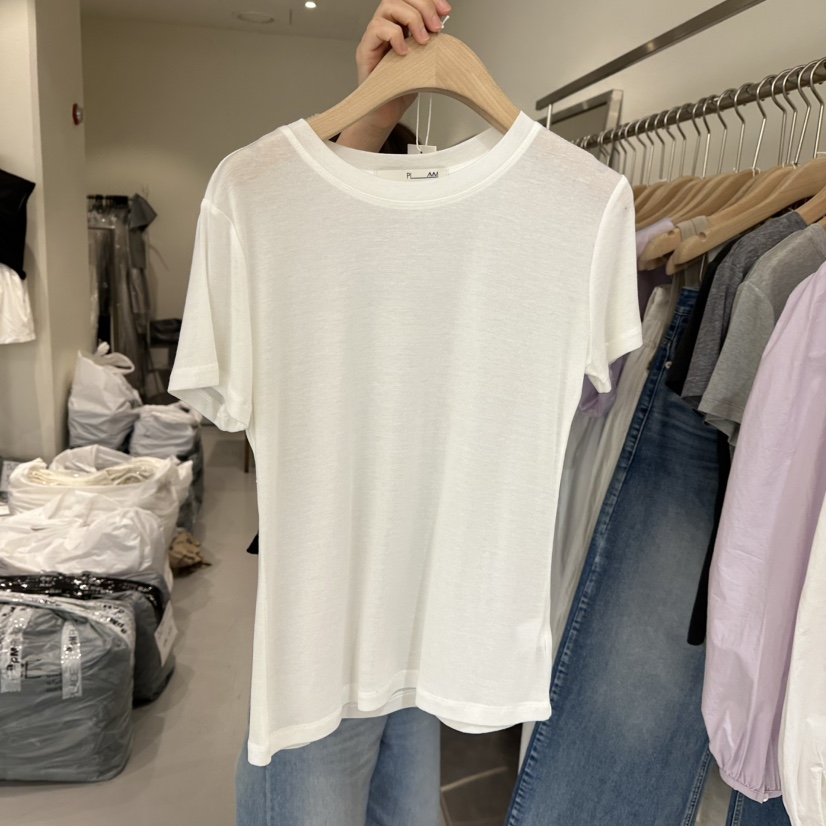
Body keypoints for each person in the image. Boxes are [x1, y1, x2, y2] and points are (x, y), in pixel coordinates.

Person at [235, 2, 452, 825]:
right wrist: (372, 116)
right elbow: (315, 248)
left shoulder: (511, 228)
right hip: (334, 600)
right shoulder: (273, 211)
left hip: (427, 602)